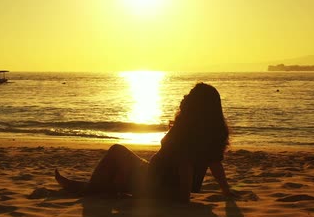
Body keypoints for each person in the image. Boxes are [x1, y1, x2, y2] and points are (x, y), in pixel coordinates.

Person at [55, 82, 235, 202]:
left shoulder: (187, 130)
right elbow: (214, 162)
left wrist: (182, 198)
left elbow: (184, 162)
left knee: (117, 151)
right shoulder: (212, 132)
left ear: (197, 104)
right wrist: (226, 191)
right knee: (119, 175)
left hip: (157, 182)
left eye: (190, 95)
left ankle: (86, 189)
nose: (185, 97)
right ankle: (92, 188)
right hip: (161, 181)